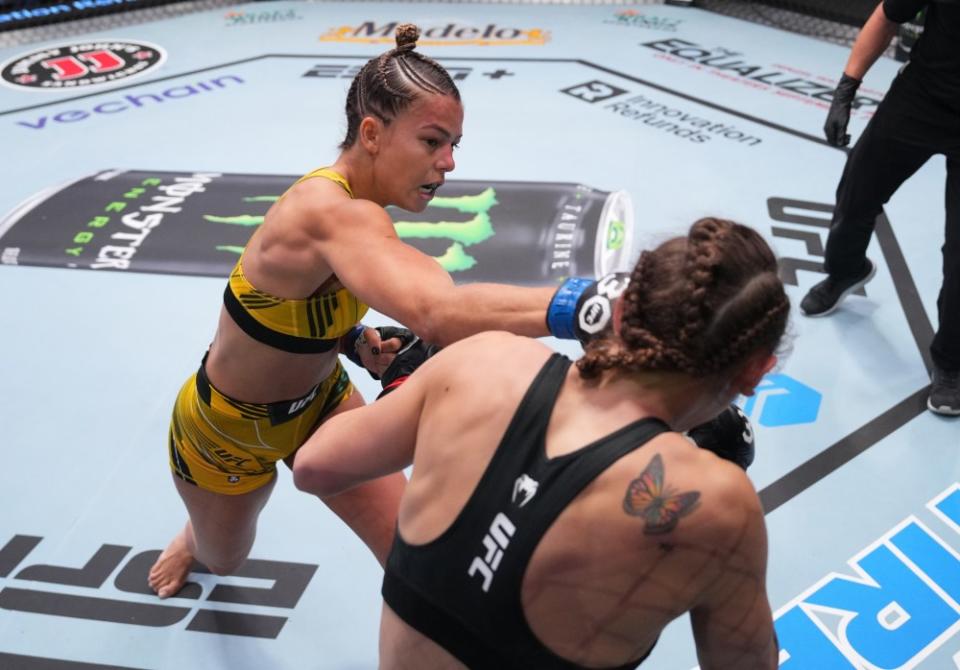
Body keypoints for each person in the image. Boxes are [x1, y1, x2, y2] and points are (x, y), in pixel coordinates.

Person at [147, 24, 570, 599]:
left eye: (454, 145)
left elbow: (289, 308)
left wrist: (351, 340)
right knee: (224, 560)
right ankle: (193, 537)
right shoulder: (330, 211)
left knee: (411, 554)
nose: (448, 163)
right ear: (372, 133)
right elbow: (437, 311)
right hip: (225, 432)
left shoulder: (364, 210)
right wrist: (582, 305)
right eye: (431, 141)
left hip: (322, 405)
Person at [293, 217, 788, 669]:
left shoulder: (483, 360)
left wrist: (407, 388)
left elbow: (315, 465)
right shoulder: (717, 504)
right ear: (756, 371)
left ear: (620, 312)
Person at [799, 0, 960, 415]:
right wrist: (845, 90)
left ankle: (953, 362)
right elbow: (888, 15)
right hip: (922, 99)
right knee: (858, 190)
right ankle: (846, 269)